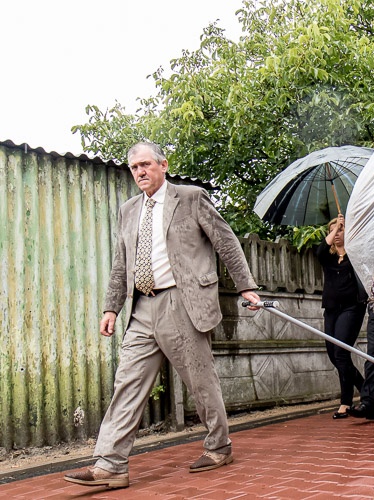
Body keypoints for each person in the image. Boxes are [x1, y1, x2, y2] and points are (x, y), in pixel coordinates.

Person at [64, 142, 261, 489]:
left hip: (182, 302)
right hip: (142, 307)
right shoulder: (128, 210)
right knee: (127, 382)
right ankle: (110, 464)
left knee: (200, 380)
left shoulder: (190, 198)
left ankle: (219, 445)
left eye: (145, 164)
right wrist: (111, 308)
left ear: (163, 165)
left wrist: (246, 286)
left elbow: (225, 241)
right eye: (134, 167)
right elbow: (121, 263)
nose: (139, 172)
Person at [316, 214, 368, 419]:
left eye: (340, 230)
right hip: (331, 309)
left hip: (352, 308)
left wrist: (345, 226)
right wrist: (336, 225)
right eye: (332, 231)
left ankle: (346, 402)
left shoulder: (355, 256)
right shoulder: (328, 257)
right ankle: (365, 389)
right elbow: (320, 250)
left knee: (341, 353)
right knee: (333, 354)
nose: (336, 234)